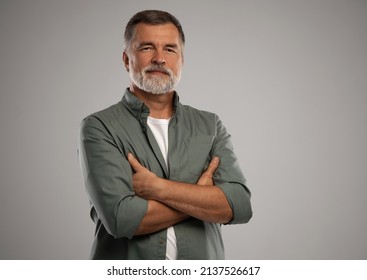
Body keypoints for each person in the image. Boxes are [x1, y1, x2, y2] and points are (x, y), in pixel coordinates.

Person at [78, 10, 252, 260]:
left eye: (170, 49)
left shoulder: (210, 125)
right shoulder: (99, 126)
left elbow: (239, 206)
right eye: (147, 48)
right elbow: (121, 219)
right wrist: (200, 198)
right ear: (127, 59)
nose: (159, 58)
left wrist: (157, 188)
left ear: (182, 60)